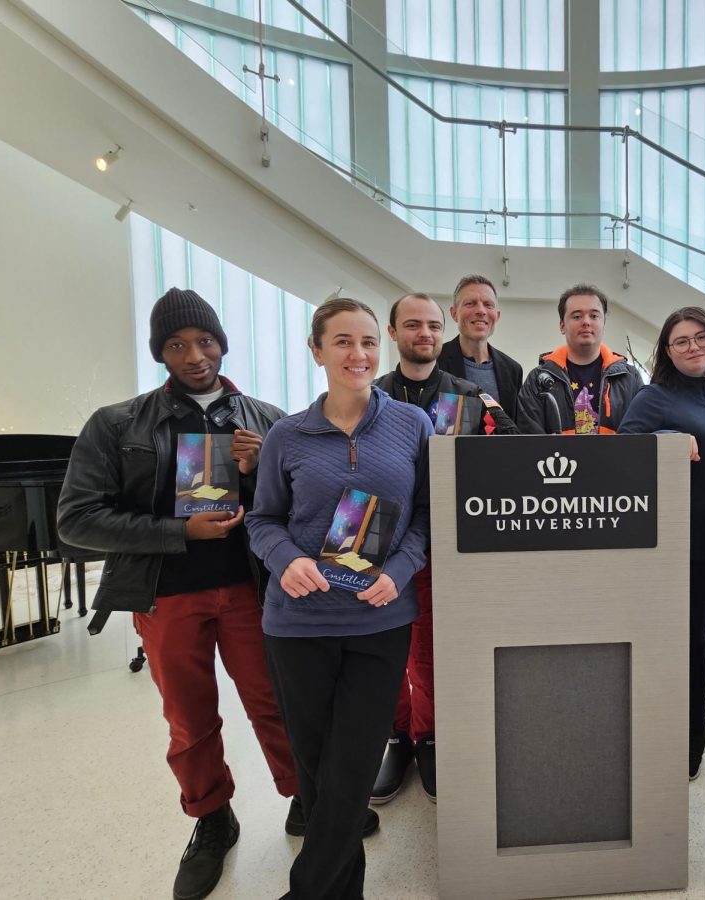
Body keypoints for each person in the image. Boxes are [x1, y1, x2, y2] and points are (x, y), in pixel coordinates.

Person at [56, 287, 299, 900]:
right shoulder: (117, 423)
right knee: (189, 719)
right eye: (177, 344)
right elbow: (76, 519)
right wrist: (176, 530)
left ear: (222, 343)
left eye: (205, 341)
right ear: (159, 352)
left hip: (251, 589)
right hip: (166, 595)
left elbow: (305, 510)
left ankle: (306, 798)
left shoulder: (269, 419)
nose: (194, 355)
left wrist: (261, 470)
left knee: (276, 703)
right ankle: (212, 819)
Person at [247, 298, 432, 900]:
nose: (360, 355)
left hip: (380, 617)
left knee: (350, 769)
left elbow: (428, 518)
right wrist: (287, 558)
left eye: (369, 342)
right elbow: (263, 520)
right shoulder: (286, 435)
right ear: (317, 350)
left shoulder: (411, 426)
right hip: (298, 622)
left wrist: (401, 569)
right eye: (344, 342)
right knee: (318, 773)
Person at [371, 292, 517, 806]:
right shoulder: (370, 397)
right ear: (393, 333)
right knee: (383, 649)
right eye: (413, 325)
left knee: (429, 654)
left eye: (433, 326)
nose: (425, 334)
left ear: (445, 329)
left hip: (444, 547)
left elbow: (513, 461)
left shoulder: (471, 399)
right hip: (377, 547)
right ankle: (395, 738)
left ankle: (428, 736)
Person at [617, 306, 705, 780]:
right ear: (668, 351)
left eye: (700, 338)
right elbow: (625, 450)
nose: (693, 347)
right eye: (681, 341)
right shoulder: (654, 397)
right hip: (683, 549)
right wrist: (669, 437)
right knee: (689, 650)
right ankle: (688, 745)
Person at [516, 283, 644, 434]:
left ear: (604, 324)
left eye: (594, 316)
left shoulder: (630, 378)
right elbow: (529, 441)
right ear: (562, 326)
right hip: (559, 458)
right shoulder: (537, 380)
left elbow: (640, 435)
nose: (586, 322)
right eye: (577, 316)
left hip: (615, 458)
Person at [437, 274, 523, 422]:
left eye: (488, 305)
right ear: (454, 313)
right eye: (470, 303)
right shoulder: (436, 362)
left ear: (497, 315)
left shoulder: (512, 370)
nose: (481, 311)